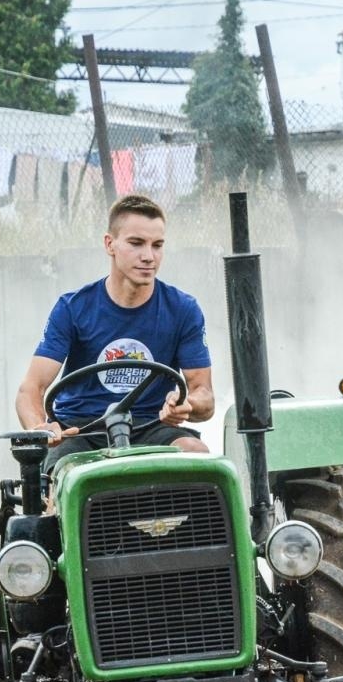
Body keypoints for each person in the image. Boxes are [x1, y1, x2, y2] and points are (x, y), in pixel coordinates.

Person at [15, 194, 215, 473]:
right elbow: (30, 390)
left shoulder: (183, 309)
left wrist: (186, 405)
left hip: (152, 426)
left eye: (157, 246)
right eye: (136, 243)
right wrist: (41, 427)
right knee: (63, 477)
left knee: (196, 454)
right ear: (110, 244)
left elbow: (203, 394)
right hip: (81, 432)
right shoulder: (72, 308)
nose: (149, 256)